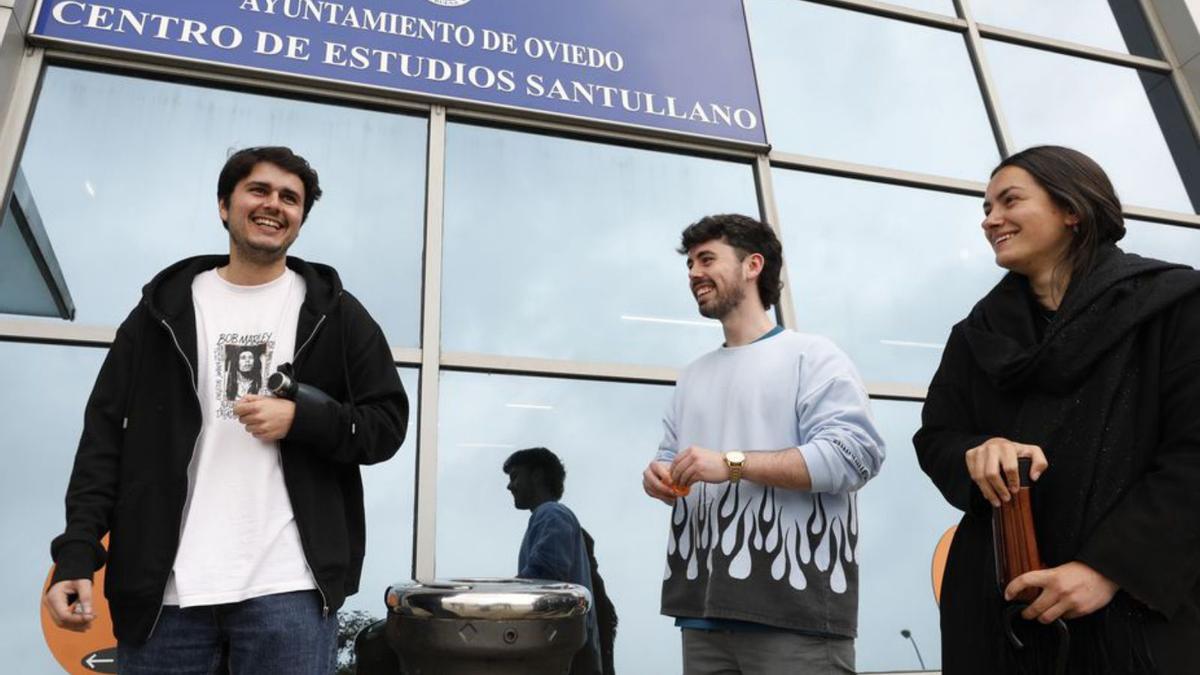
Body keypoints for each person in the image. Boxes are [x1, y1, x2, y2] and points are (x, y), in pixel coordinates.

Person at [43, 146, 409, 675]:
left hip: (291, 592)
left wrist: (303, 419)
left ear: (301, 219)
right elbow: (103, 443)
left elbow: (387, 425)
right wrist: (77, 554)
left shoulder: (336, 314)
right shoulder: (159, 313)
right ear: (224, 205)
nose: (274, 205)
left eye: (290, 198)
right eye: (259, 190)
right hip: (162, 595)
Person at [914, 145, 1200, 674]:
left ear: (1072, 208)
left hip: (1137, 614)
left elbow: (1193, 456)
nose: (990, 220)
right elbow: (936, 437)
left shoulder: (1176, 305)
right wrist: (978, 451)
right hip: (999, 623)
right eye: (985, 208)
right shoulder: (975, 336)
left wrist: (1106, 570)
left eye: (1009, 201)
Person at [641, 214, 885, 675]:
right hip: (701, 615)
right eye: (690, 263)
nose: (693, 273)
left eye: (706, 259)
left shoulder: (813, 356)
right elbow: (669, 457)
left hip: (795, 615)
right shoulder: (691, 376)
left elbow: (856, 456)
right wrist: (659, 475)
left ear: (753, 265)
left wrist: (731, 464)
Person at [504, 447, 609, 675]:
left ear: (537, 475)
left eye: (515, 476)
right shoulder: (549, 516)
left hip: (566, 651)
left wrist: (502, 600)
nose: (510, 486)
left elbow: (544, 576)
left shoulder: (551, 514)